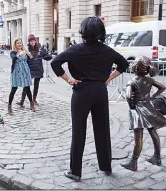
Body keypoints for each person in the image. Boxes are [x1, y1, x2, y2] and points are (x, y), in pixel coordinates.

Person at [50, 16, 129, 181]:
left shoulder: (76, 49)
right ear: (101, 32)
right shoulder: (107, 50)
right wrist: (109, 78)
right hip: (100, 90)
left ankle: (75, 171)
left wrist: (69, 79)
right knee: (103, 129)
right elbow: (124, 64)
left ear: (83, 32)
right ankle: (106, 166)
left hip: (81, 91)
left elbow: (55, 63)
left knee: (78, 131)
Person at [121, 56, 166, 171]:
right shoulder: (150, 80)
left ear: (135, 68)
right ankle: (157, 157)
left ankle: (133, 162)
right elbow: (162, 87)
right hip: (148, 107)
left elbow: (128, 96)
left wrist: (131, 105)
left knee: (139, 137)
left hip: (137, 109)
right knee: (153, 131)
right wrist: (152, 96)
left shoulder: (132, 81)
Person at [8, 38, 36, 115]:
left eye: (20, 43)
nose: (20, 44)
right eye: (18, 43)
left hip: (25, 70)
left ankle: (31, 104)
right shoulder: (13, 52)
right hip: (16, 71)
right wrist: (20, 53)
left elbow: (31, 59)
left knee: (27, 88)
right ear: (15, 44)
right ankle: (9, 106)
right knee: (14, 88)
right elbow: (14, 57)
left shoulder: (25, 51)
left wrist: (30, 55)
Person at [17, 34, 46, 107]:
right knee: (26, 85)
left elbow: (45, 56)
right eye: (31, 41)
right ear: (29, 42)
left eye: (33, 41)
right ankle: (22, 101)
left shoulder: (39, 48)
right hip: (29, 70)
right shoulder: (26, 49)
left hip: (38, 69)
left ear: (35, 41)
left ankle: (34, 99)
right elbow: (23, 59)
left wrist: (47, 55)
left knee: (36, 85)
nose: (33, 42)